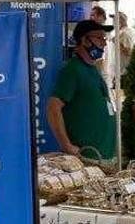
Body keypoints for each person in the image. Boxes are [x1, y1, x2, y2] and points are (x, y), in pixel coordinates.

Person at [48, 19, 117, 160]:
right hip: (87, 156)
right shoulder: (72, 70)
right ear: (84, 40)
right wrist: (66, 145)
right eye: (99, 38)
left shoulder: (92, 69)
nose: (104, 43)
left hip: (104, 154)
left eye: (104, 38)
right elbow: (53, 107)